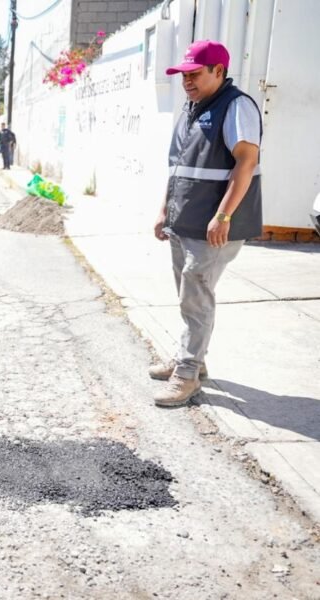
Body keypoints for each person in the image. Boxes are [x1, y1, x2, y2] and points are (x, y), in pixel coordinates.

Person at [150, 40, 262, 407]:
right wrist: (165, 210)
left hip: (215, 224)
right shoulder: (191, 108)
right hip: (185, 219)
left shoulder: (237, 106)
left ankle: (187, 374)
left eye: (195, 74)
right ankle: (193, 360)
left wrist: (223, 214)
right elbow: (177, 168)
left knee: (196, 297)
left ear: (219, 70)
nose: (187, 81)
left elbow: (245, 164)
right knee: (188, 296)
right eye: (184, 75)